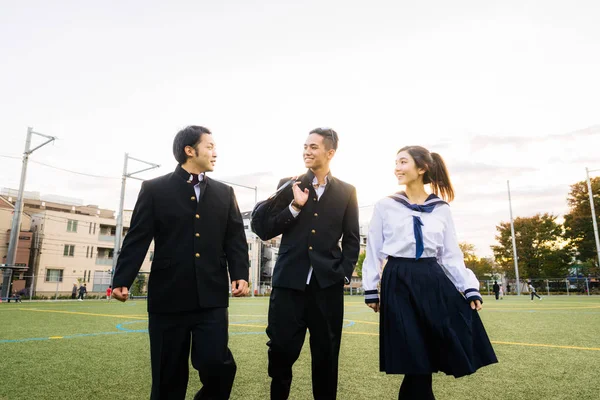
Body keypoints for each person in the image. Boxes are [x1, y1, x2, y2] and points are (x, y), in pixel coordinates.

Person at [112, 125, 250, 400]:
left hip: (211, 295)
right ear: (190, 151)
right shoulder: (154, 189)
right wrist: (121, 280)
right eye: (209, 146)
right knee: (167, 378)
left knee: (218, 366)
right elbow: (138, 238)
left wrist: (240, 273)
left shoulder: (225, 193)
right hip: (169, 296)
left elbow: (235, 238)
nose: (215, 153)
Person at [362, 145, 497, 400]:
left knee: (425, 355)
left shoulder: (441, 208)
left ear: (421, 168)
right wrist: (371, 288)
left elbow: (450, 253)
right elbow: (374, 250)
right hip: (398, 279)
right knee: (414, 354)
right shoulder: (385, 205)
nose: (397, 168)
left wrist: (468, 288)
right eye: (396, 162)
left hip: (432, 278)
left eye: (403, 162)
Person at [258, 127, 360, 399]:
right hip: (288, 283)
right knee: (280, 351)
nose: (307, 151)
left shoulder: (347, 192)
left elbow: (352, 239)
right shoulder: (288, 183)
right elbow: (265, 228)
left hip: (327, 287)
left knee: (326, 355)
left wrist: (344, 273)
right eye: (305, 146)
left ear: (330, 152)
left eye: (313, 146)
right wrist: (294, 207)